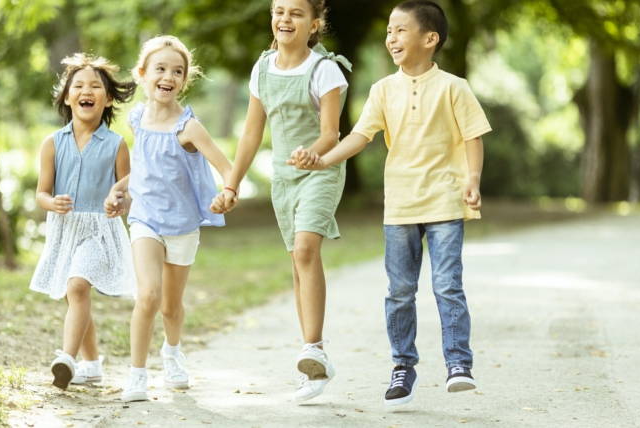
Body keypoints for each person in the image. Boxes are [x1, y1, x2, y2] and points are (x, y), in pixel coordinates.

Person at [289, 0, 492, 406]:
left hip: (446, 203)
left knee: (447, 286)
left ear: (429, 39)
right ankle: (403, 365)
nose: (391, 38)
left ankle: (458, 363)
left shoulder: (454, 87)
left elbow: (473, 136)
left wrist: (471, 179)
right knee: (400, 291)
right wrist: (321, 158)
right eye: (388, 31)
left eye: (400, 30)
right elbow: (359, 137)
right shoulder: (382, 90)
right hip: (400, 205)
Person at [210, 0, 351, 403]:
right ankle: (314, 367)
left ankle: (314, 349)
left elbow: (330, 133)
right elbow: (252, 136)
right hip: (283, 179)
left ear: (314, 24)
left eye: (296, 13)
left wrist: (313, 154)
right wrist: (231, 186)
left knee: (307, 249)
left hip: (320, 170)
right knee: (297, 261)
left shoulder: (325, 70)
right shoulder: (261, 69)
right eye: (279, 10)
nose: (285, 18)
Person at [103, 35, 233, 403]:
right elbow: (143, 170)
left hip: (183, 225)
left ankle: (172, 355)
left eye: (177, 71)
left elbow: (226, 167)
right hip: (145, 220)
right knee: (147, 294)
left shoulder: (188, 127)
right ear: (143, 75)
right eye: (160, 69)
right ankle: (137, 375)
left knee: (170, 306)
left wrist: (227, 193)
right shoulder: (137, 118)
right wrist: (119, 190)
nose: (169, 76)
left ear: (184, 81)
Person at [30, 53, 137, 390]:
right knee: (74, 295)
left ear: (107, 100)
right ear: (66, 96)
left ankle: (68, 358)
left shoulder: (117, 145)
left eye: (95, 86)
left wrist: (119, 203)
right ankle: (92, 364)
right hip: (64, 229)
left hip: (99, 232)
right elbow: (41, 193)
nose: (86, 90)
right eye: (78, 85)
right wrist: (53, 202)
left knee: (77, 286)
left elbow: (129, 190)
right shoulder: (52, 144)